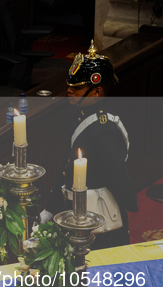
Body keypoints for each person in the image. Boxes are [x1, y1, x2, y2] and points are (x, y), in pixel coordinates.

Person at [41, 41, 138, 250]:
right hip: (78, 212)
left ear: (96, 93)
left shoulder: (104, 132)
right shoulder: (79, 115)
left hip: (100, 225)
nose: (69, 90)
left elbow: (118, 176)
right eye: (70, 85)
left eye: (77, 88)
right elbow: (69, 166)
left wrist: (131, 203)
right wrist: (50, 208)